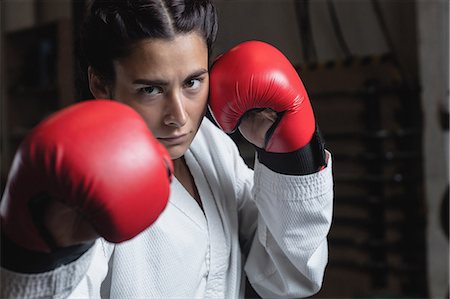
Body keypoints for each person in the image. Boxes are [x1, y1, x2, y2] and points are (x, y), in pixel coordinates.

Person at [0, 0, 334, 298]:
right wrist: (44, 257)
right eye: (151, 89)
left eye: (192, 82)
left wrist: (290, 158)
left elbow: (288, 279)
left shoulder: (210, 145)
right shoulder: (86, 177)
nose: (179, 116)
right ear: (101, 84)